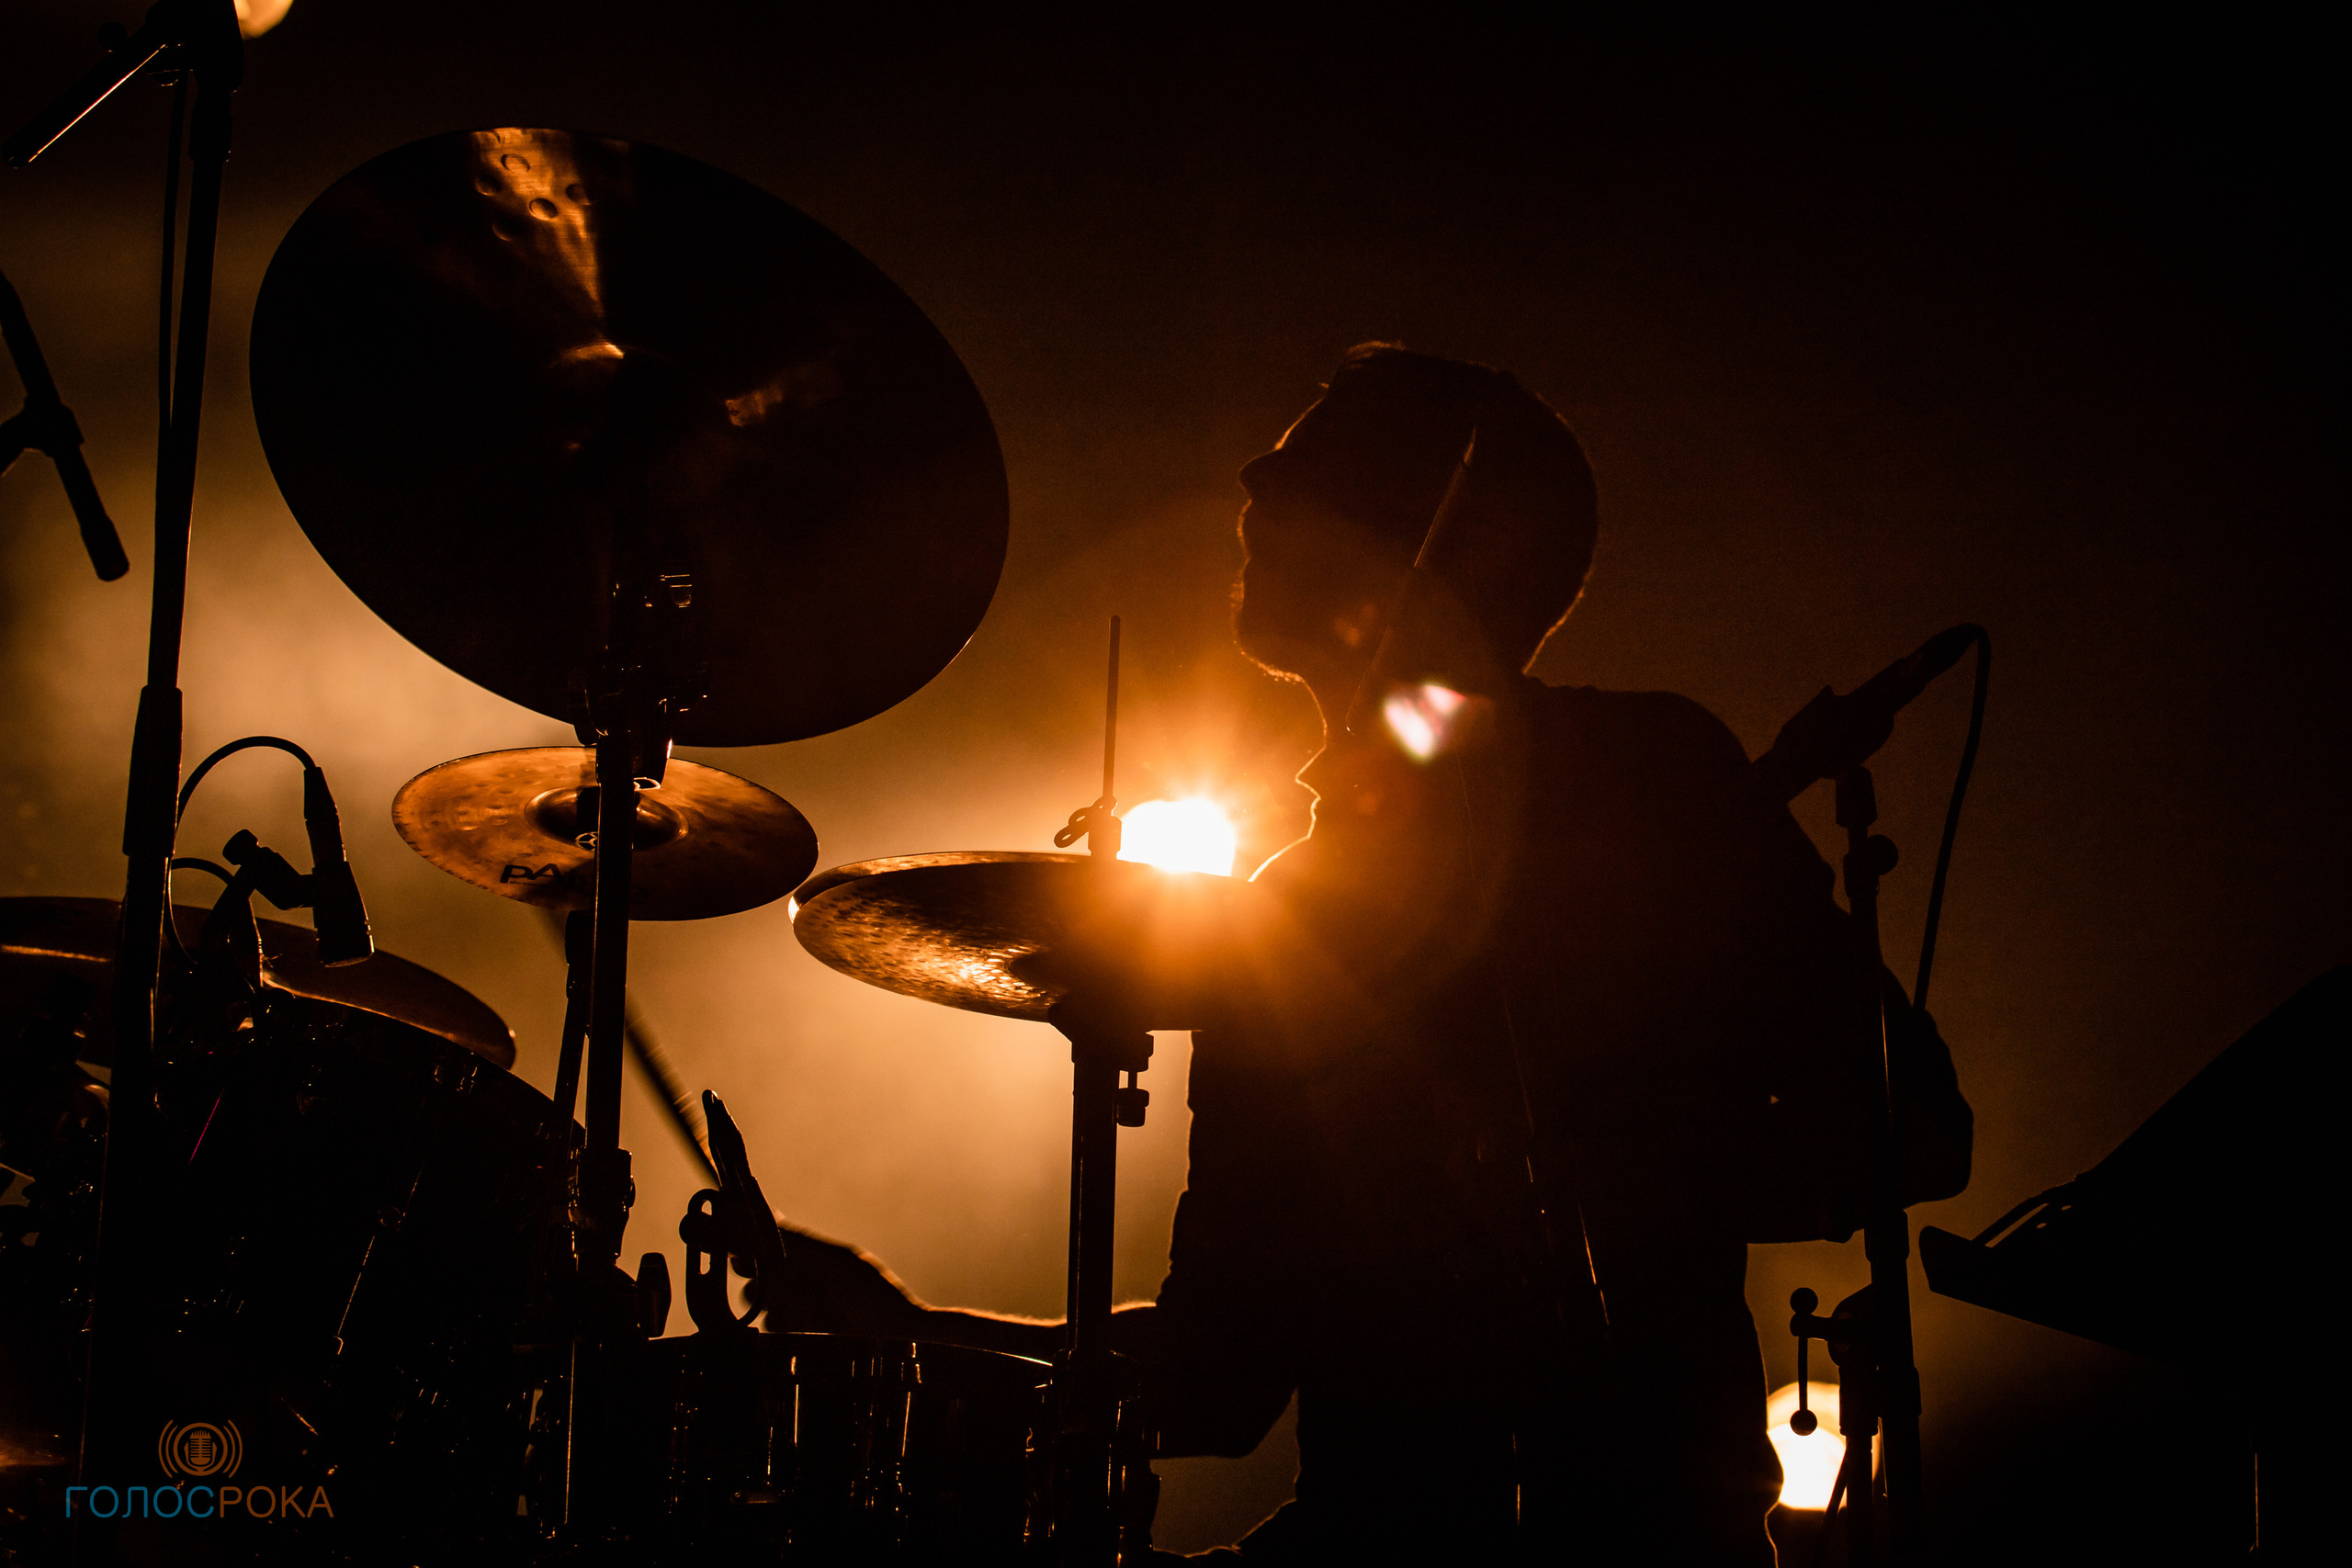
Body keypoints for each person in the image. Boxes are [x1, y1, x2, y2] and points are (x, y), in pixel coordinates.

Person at [764, 344, 1972, 1563]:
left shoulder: (1651, 782)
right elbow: (1219, 1382)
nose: (1252, 483)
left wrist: (1622, 1164)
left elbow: (1919, 1125)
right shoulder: (1284, 922)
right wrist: (913, 1344)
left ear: (1453, 531)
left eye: (1309, 464)